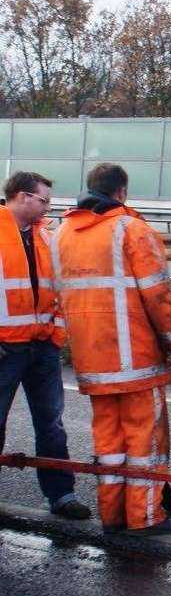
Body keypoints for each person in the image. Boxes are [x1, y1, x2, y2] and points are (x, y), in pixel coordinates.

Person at [56, 163, 171, 535]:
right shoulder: (132, 229)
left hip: (92, 362)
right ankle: (145, 518)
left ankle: (113, 516)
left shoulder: (62, 232)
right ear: (121, 192)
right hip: (136, 359)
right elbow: (159, 298)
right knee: (144, 441)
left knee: (110, 443)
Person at [0, 171, 89, 520]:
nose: (48, 206)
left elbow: (59, 291)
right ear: (23, 197)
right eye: (44, 199)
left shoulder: (45, 238)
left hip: (42, 347)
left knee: (51, 424)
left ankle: (61, 495)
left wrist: (56, 335)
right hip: (6, 350)